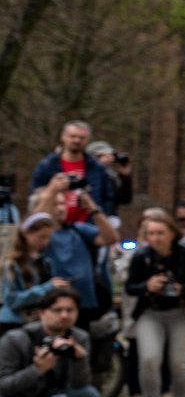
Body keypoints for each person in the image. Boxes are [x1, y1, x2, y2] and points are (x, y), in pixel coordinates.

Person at [124, 209, 185, 397]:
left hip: (181, 312)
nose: (155, 238)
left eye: (160, 232)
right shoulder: (141, 257)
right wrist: (147, 286)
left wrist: (183, 288)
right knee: (149, 359)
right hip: (150, 313)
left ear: (172, 233)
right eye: (151, 233)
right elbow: (130, 287)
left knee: (179, 364)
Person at [0, 289, 100, 397]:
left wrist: (79, 359)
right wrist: (37, 370)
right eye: (57, 310)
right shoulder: (15, 339)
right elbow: (5, 387)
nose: (64, 315)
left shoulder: (79, 338)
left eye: (70, 310)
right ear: (42, 312)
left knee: (89, 395)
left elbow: (81, 384)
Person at [31, 177, 119, 331]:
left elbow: (111, 238)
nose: (60, 208)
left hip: (83, 305)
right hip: (51, 306)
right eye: (54, 204)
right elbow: (34, 224)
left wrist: (93, 208)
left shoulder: (78, 230)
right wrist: (51, 190)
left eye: (62, 203)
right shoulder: (41, 238)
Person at [29, 120, 117, 224]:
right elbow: (34, 198)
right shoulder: (47, 166)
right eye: (72, 136)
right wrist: (52, 189)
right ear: (63, 137)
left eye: (81, 138)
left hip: (90, 228)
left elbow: (109, 199)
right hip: (55, 227)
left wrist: (103, 220)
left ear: (87, 140)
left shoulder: (97, 168)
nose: (77, 140)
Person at [2, 213, 61, 328]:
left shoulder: (46, 262)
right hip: (14, 323)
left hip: (37, 322)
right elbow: (11, 300)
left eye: (48, 237)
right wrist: (47, 288)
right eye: (41, 237)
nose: (45, 242)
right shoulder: (13, 264)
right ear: (26, 234)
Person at [88, 141, 134, 208]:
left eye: (111, 155)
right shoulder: (85, 174)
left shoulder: (111, 176)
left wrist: (125, 176)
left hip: (108, 215)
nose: (111, 158)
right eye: (107, 155)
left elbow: (125, 200)